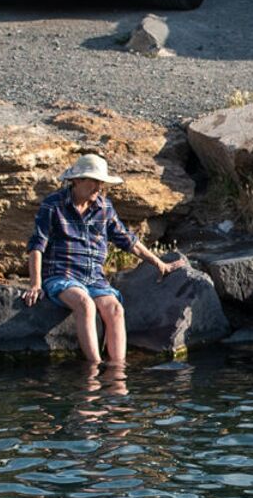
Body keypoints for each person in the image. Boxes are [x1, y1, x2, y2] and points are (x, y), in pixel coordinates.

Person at [23, 152, 179, 363]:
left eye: (101, 183)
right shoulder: (53, 205)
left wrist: (159, 263)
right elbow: (37, 245)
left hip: (94, 278)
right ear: (77, 180)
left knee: (115, 309)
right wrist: (36, 284)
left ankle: (117, 372)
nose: (99, 187)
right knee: (85, 303)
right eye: (94, 182)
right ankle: (94, 369)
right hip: (62, 275)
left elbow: (128, 240)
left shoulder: (104, 207)